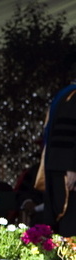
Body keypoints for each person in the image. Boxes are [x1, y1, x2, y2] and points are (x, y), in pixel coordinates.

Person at [41, 60, 76, 236]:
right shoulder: (72, 97)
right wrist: (71, 168)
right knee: (69, 217)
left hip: (61, 166)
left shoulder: (64, 95)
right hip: (66, 169)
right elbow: (66, 135)